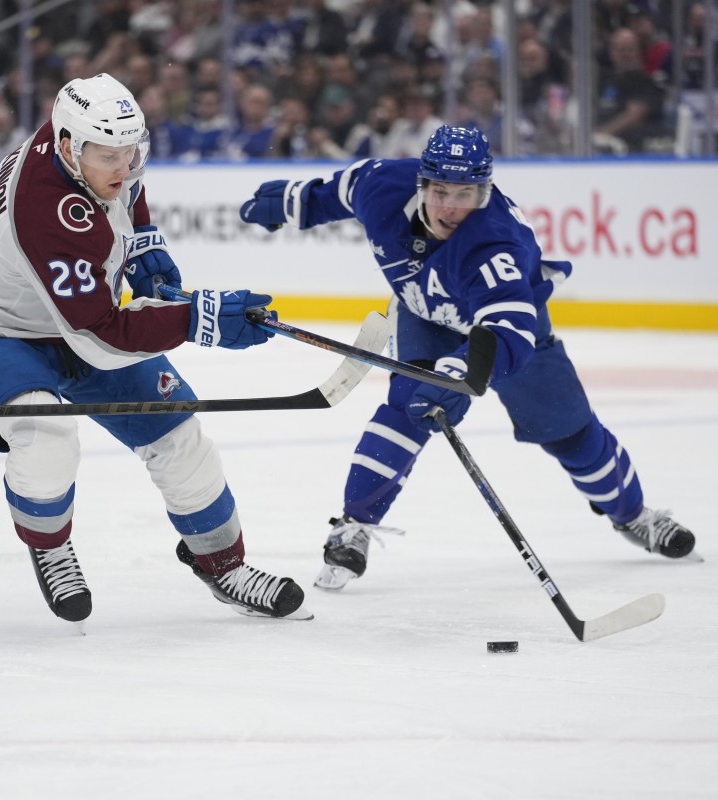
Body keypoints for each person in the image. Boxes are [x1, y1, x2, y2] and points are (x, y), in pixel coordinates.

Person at [238, 125, 697, 591]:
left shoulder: (496, 244)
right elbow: (338, 191)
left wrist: (465, 370)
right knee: (408, 407)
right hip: (426, 315)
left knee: (569, 433)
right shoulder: (381, 183)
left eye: (466, 193)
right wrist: (296, 203)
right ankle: (352, 527)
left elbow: (508, 330)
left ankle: (634, 515)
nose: (451, 206)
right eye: (440, 191)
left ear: (485, 190)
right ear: (422, 183)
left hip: (508, 333)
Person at [0, 73, 310, 626]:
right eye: (108, 156)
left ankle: (222, 564)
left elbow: (127, 191)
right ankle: (50, 544)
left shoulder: (87, 144)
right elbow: (102, 335)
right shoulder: (45, 207)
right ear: (67, 146)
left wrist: (143, 243)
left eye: (132, 153)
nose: (123, 166)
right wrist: (200, 319)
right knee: (46, 436)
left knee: (179, 433)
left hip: (73, 320)